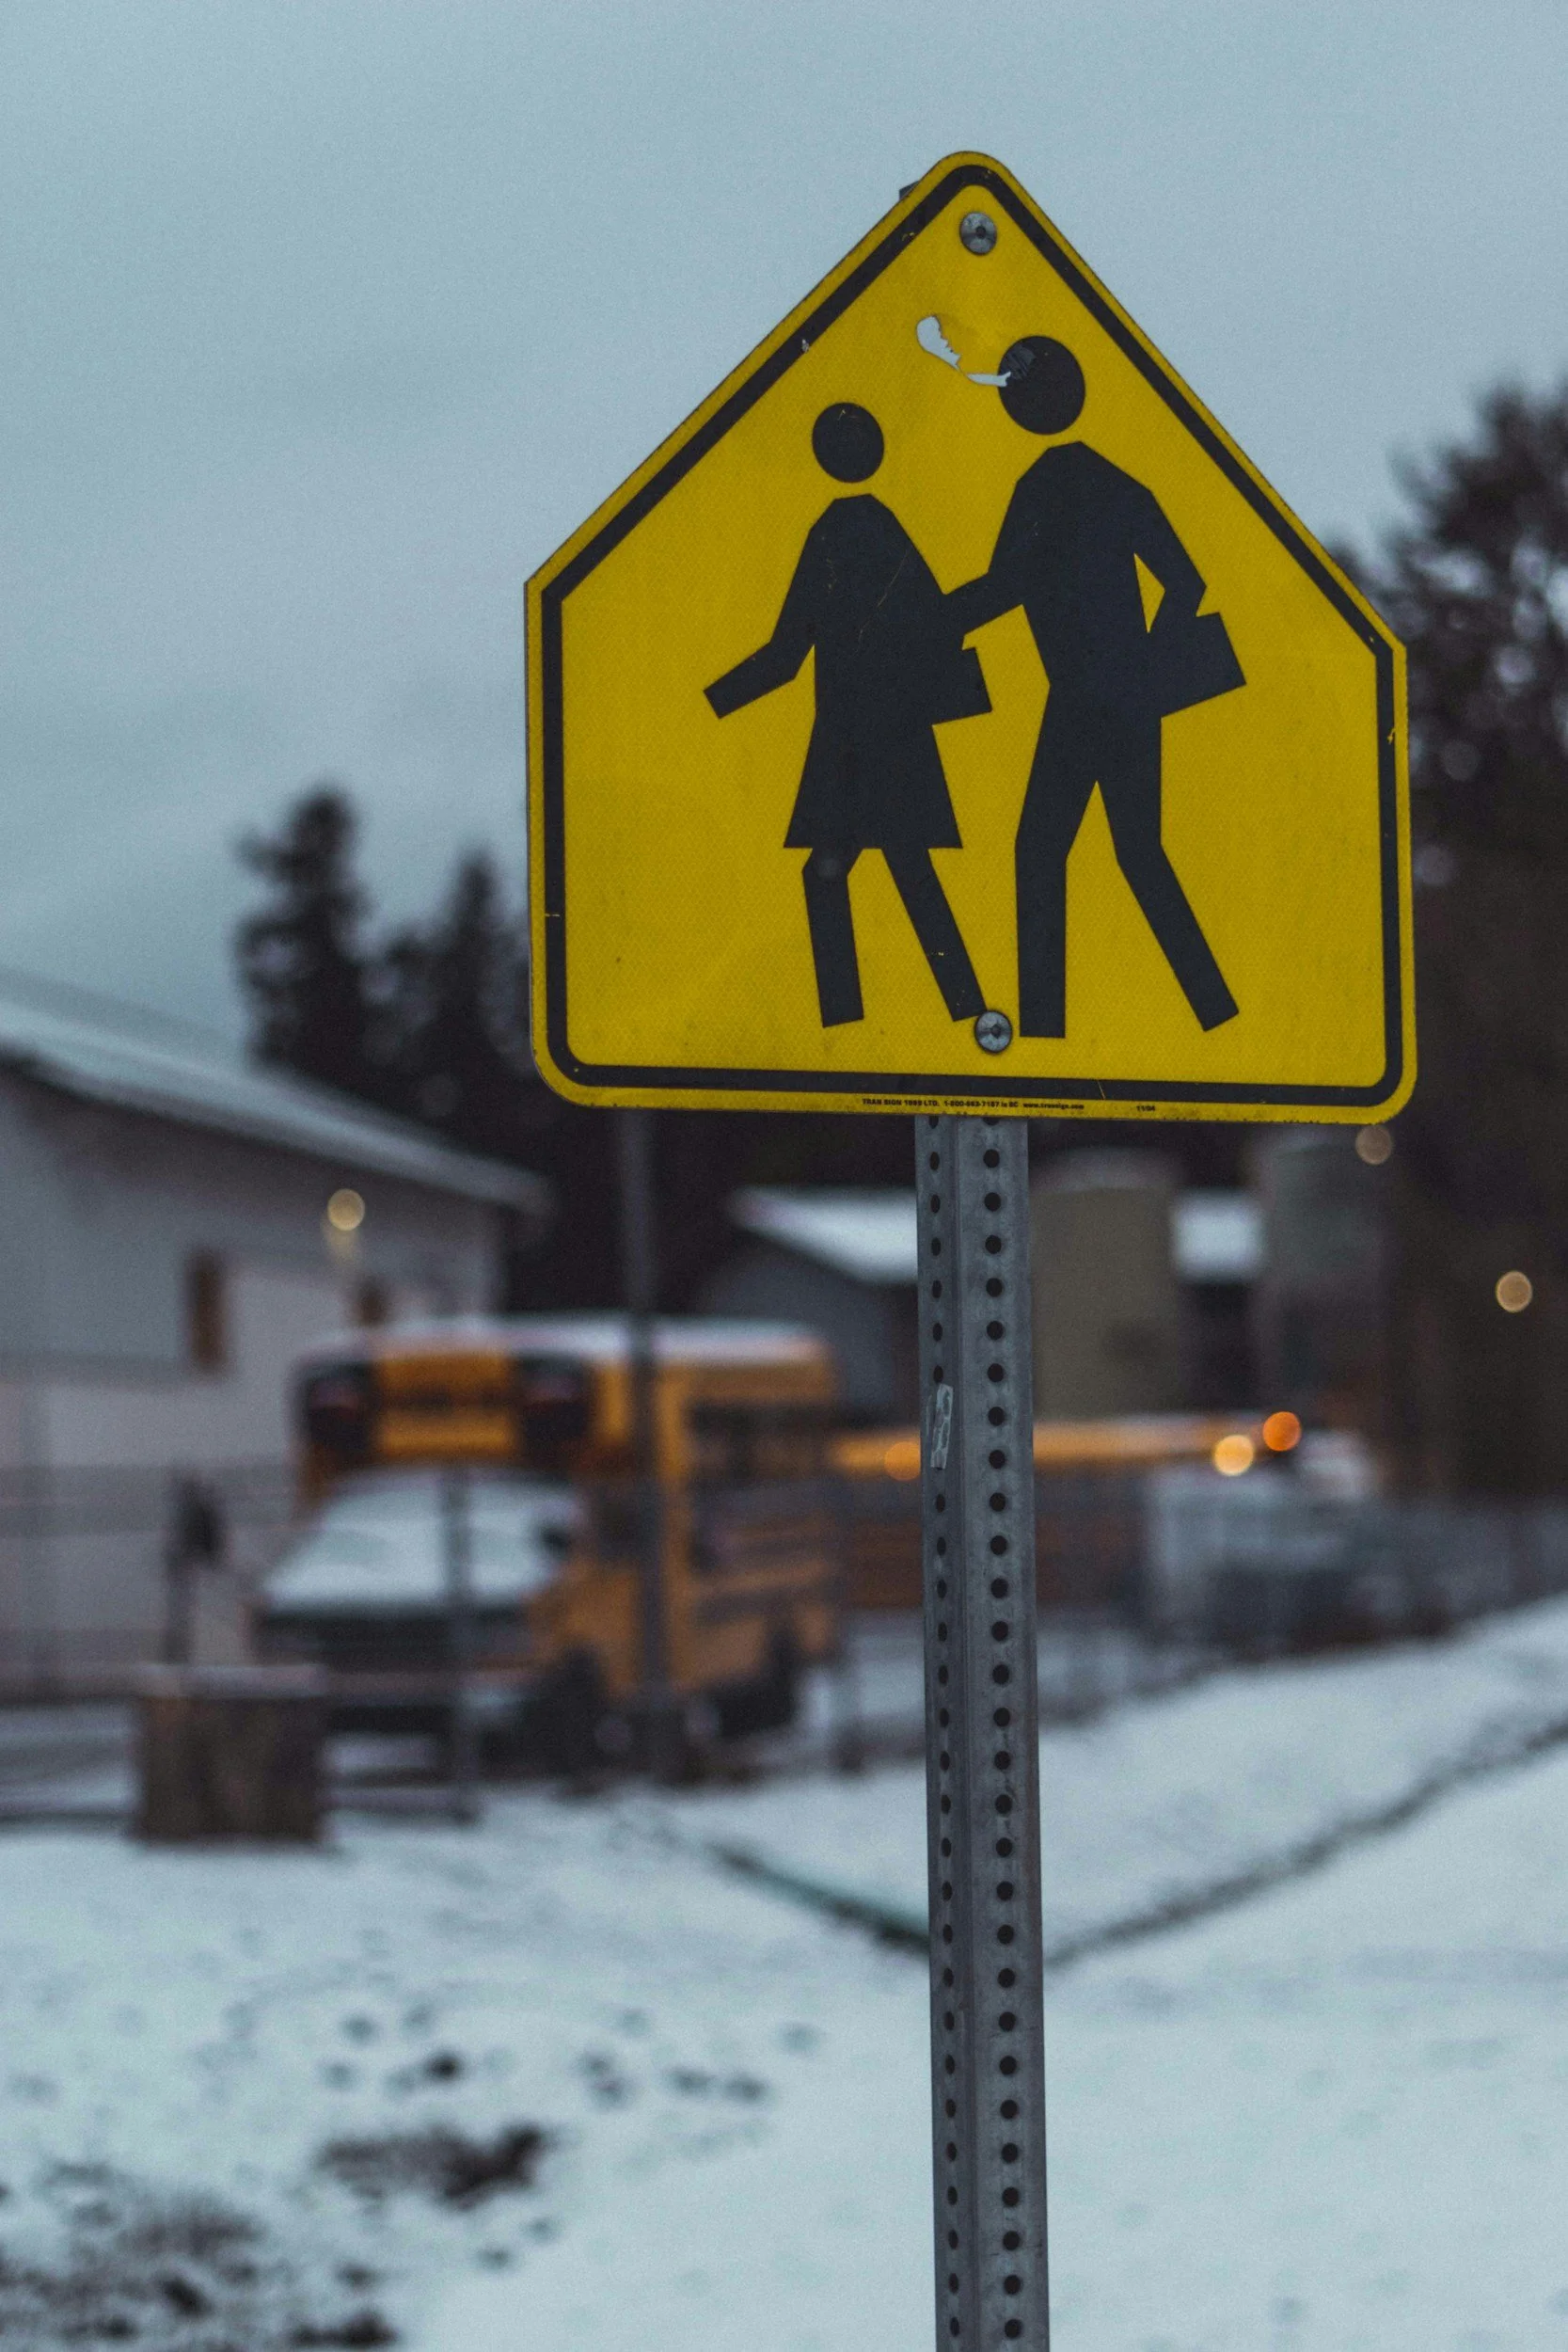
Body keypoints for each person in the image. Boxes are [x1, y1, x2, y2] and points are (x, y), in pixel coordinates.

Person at [950, 336, 1243, 1039]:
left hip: (1082, 699)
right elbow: (1186, 583)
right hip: (1123, 699)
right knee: (1135, 854)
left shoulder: (1042, 490)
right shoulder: (1116, 485)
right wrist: (1144, 662)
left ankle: (1045, 1033)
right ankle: (1214, 1012)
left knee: (1041, 851)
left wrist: (930, 619)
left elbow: (1003, 587)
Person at [706, 402, 990, 1029]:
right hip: (891, 738)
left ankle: (856, 1021)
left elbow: (786, 654)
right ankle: (963, 1012)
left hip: (855, 746)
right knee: (898, 870)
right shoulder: (888, 530)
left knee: (841, 873)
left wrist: (711, 703)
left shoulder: (833, 534)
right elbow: (937, 623)